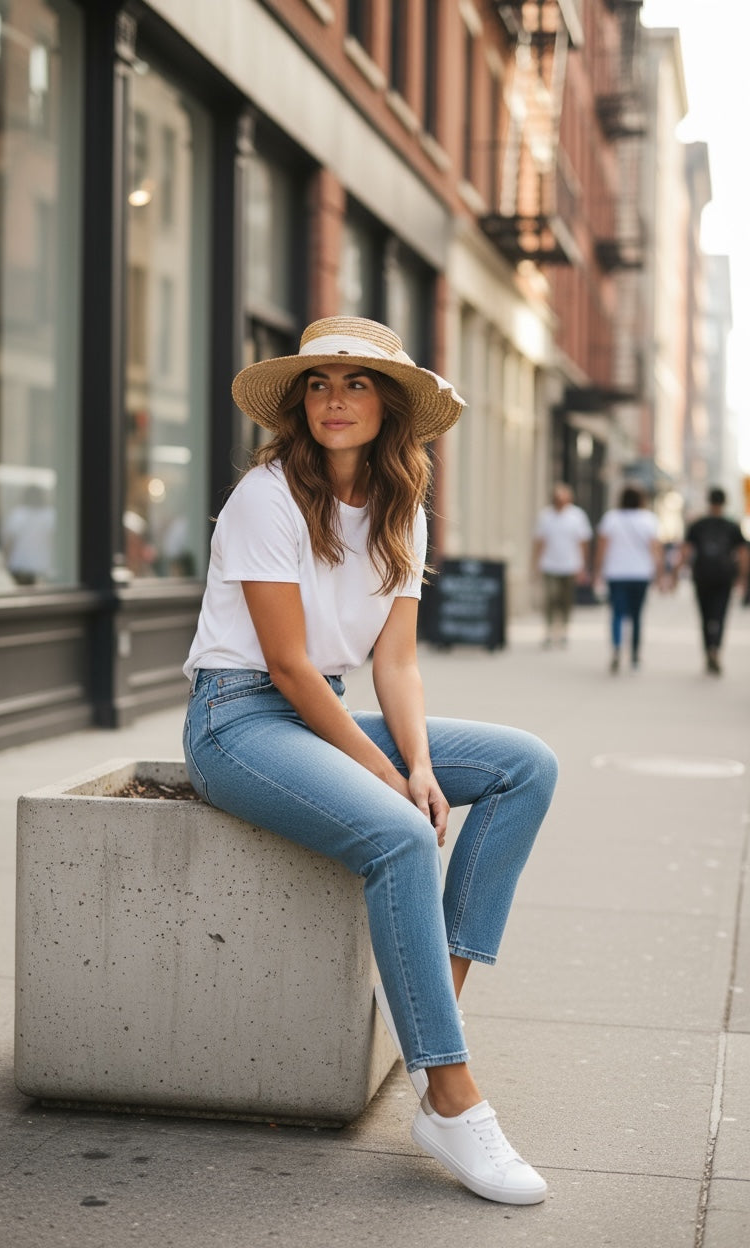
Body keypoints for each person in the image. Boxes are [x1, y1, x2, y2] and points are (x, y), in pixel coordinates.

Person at [182, 316, 558, 1205]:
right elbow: (287, 666)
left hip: (322, 713)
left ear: (389, 404)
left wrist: (418, 761)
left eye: (356, 383)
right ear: (298, 403)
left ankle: (432, 1010)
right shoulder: (266, 496)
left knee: (526, 766)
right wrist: (387, 780)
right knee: (400, 832)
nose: (335, 400)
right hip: (238, 721)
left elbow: (397, 664)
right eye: (318, 383)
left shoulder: (401, 510)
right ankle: (449, 1097)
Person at [677, 487, 749, 674]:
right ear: (724, 503)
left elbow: (685, 551)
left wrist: (676, 574)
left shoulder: (698, 525)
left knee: (705, 616)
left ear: (708, 502)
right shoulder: (732, 526)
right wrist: (742, 577)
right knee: (720, 615)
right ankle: (716, 649)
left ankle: (708, 650)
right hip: (724, 577)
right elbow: (743, 553)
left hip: (702, 576)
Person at [595, 484, 663, 673]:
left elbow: (602, 548)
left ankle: (617, 649)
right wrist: (660, 574)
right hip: (640, 574)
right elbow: (655, 549)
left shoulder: (611, 518)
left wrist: (597, 570)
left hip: (616, 573)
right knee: (637, 615)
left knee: (617, 613)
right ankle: (634, 655)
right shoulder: (649, 519)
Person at [532, 483, 592, 647]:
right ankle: (549, 629)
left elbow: (583, 542)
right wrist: (535, 563)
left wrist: (583, 566)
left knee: (566, 600)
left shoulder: (577, 516)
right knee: (550, 598)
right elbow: (539, 541)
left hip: (570, 565)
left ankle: (563, 628)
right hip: (549, 564)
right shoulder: (545, 516)